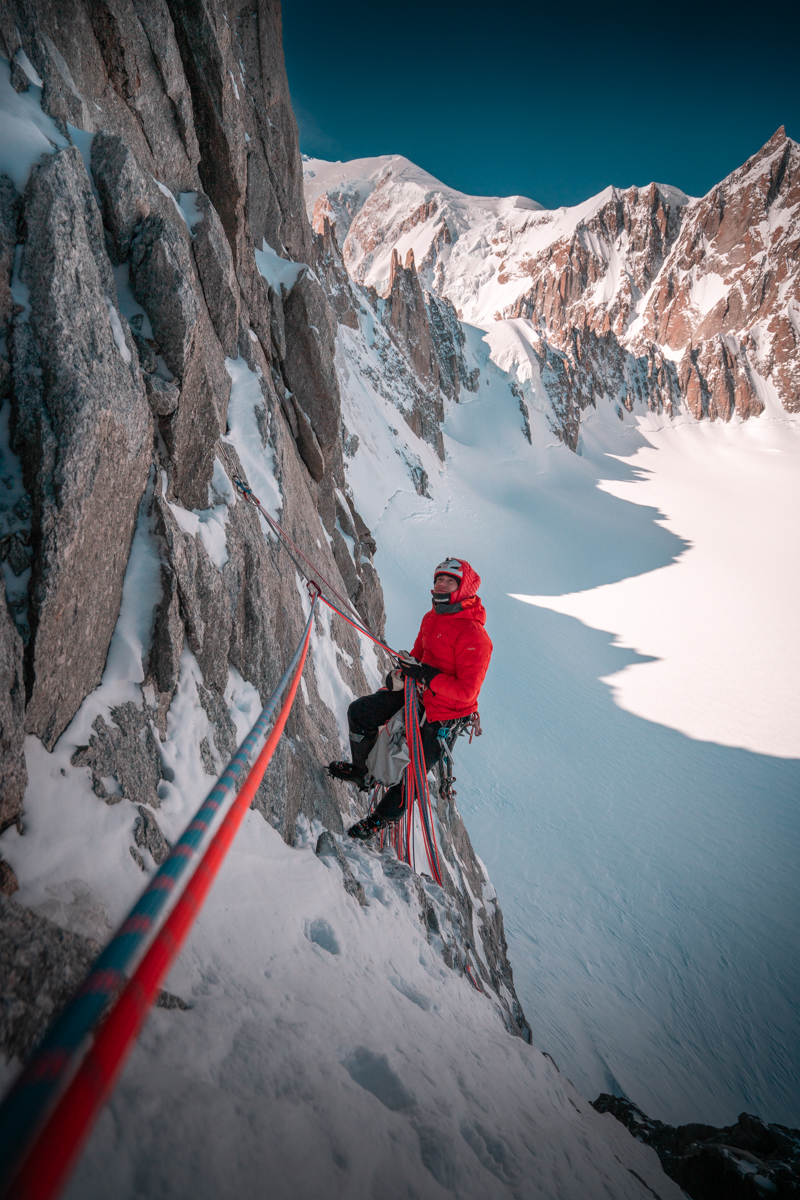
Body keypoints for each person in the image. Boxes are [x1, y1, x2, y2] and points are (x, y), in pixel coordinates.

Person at [328, 557, 492, 840]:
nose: (440, 584)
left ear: (462, 588)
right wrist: (407, 668)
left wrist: (424, 674)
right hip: (417, 694)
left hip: (445, 716)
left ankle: (381, 819)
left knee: (412, 778)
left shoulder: (474, 636)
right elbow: (420, 655)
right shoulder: (432, 618)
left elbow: (468, 691)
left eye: (448, 581)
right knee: (361, 712)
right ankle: (361, 771)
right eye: (438, 579)